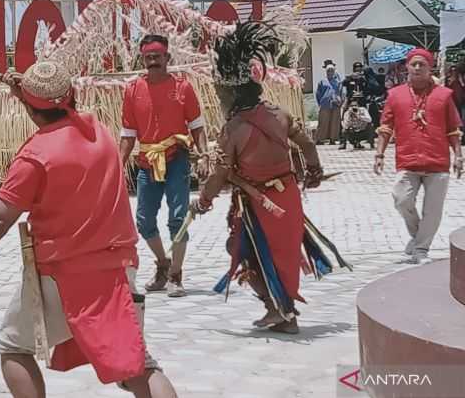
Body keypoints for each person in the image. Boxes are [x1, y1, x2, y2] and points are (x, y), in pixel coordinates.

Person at [0, 61, 178, 398]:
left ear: (30, 108)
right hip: (120, 268)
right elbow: (65, 112)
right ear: (72, 96)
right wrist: (27, 97)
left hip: (65, 275)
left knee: (13, 346)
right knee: (137, 365)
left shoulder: (35, 156)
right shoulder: (98, 133)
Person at [193, 21, 346, 335]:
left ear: (231, 93)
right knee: (281, 253)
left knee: (243, 249)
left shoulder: (233, 129)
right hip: (287, 196)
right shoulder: (279, 114)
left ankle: (279, 311)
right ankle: (282, 311)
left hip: (259, 204)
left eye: (221, 92)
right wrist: (314, 171)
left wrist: (204, 200)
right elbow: (306, 142)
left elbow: (221, 171)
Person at [119, 34, 209, 298]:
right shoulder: (132, 90)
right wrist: (115, 167)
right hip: (147, 163)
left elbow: (197, 128)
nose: (153, 62)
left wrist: (204, 156)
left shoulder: (183, 88)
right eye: (148, 58)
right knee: (144, 221)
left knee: (178, 218)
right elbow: (127, 135)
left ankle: (176, 275)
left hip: (177, 159)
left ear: (167, 58)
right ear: (143, 60)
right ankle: (162, 263)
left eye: (158, 57)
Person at [374, 48, 464, 265]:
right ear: (407, 67)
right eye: (413, 64)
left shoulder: (444, 95)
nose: (417, 68)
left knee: (432, 211)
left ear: (429, 67)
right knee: (401, 199)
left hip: (437, 162)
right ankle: (417, 238)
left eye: (421, 64)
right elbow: (385, 127)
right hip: (408, 161)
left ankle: (421, 249)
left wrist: (459, 157)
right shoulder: (395, 95)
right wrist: (379, 154)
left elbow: (453, 129)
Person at [338, 61, 368, 150]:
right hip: (350, 101)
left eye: (360, 69)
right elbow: (342, 84)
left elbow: (367, 88)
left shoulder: (363, 79)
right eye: (356, 69)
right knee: (344, 119)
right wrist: (350, 77)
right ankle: (342, 142)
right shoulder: (349, 79)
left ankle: (357, 142)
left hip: (360, 102)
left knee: (361, 120)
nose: (358, 71)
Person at [314, 65, 342, 145]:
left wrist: (340, 101)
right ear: (326, 72)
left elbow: (340, 92)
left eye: (331, 71)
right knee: (323, 122)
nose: (330, 72)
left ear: (334, 72)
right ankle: (319, 139)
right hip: (325, 104)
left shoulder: (338, 82)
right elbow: (318, 94)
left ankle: (333, 139)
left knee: (334, 122)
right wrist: (320, 103)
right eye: (328, 71)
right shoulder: (322, 81)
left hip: (335, 104)